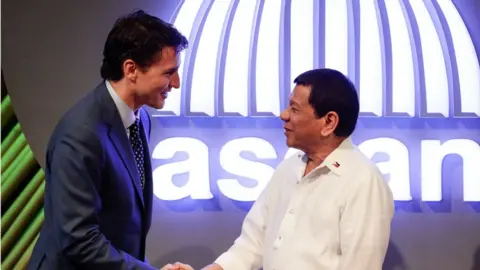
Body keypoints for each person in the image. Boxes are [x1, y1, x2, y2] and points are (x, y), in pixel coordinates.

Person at [27, 10, 188, 270]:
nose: (176, 83)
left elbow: (121, 228)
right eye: (169, 73)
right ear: (131, 69)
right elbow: (80, 240)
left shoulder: (141, 119)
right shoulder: (80, 135)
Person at [186, 68, 393, 270]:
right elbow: (253, 243)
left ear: (329, 122)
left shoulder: (363, 181)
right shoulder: (289, 167)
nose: (284, 115)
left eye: (294, 109)